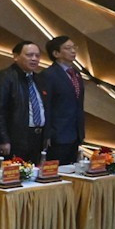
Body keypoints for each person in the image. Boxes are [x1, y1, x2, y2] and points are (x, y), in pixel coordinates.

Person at [0, 40, 53, 163]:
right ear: (15, 57)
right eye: (29, 55)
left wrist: (47, 135)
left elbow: (45, 108)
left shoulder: (39, 79)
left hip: (38, 136)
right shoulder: (5, 77)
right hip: (16, 136)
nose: (34, 59)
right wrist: (3, 139)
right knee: (15, 174)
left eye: (37, 56)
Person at [41, 36, 86, 164]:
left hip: (75, 132)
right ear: (56, 53)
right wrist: (47, 134)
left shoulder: (76, 73)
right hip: (57, 134)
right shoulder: (49, 74)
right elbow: (46, 105)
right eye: (68, 48)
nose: (73, 51)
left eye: (74, 47)